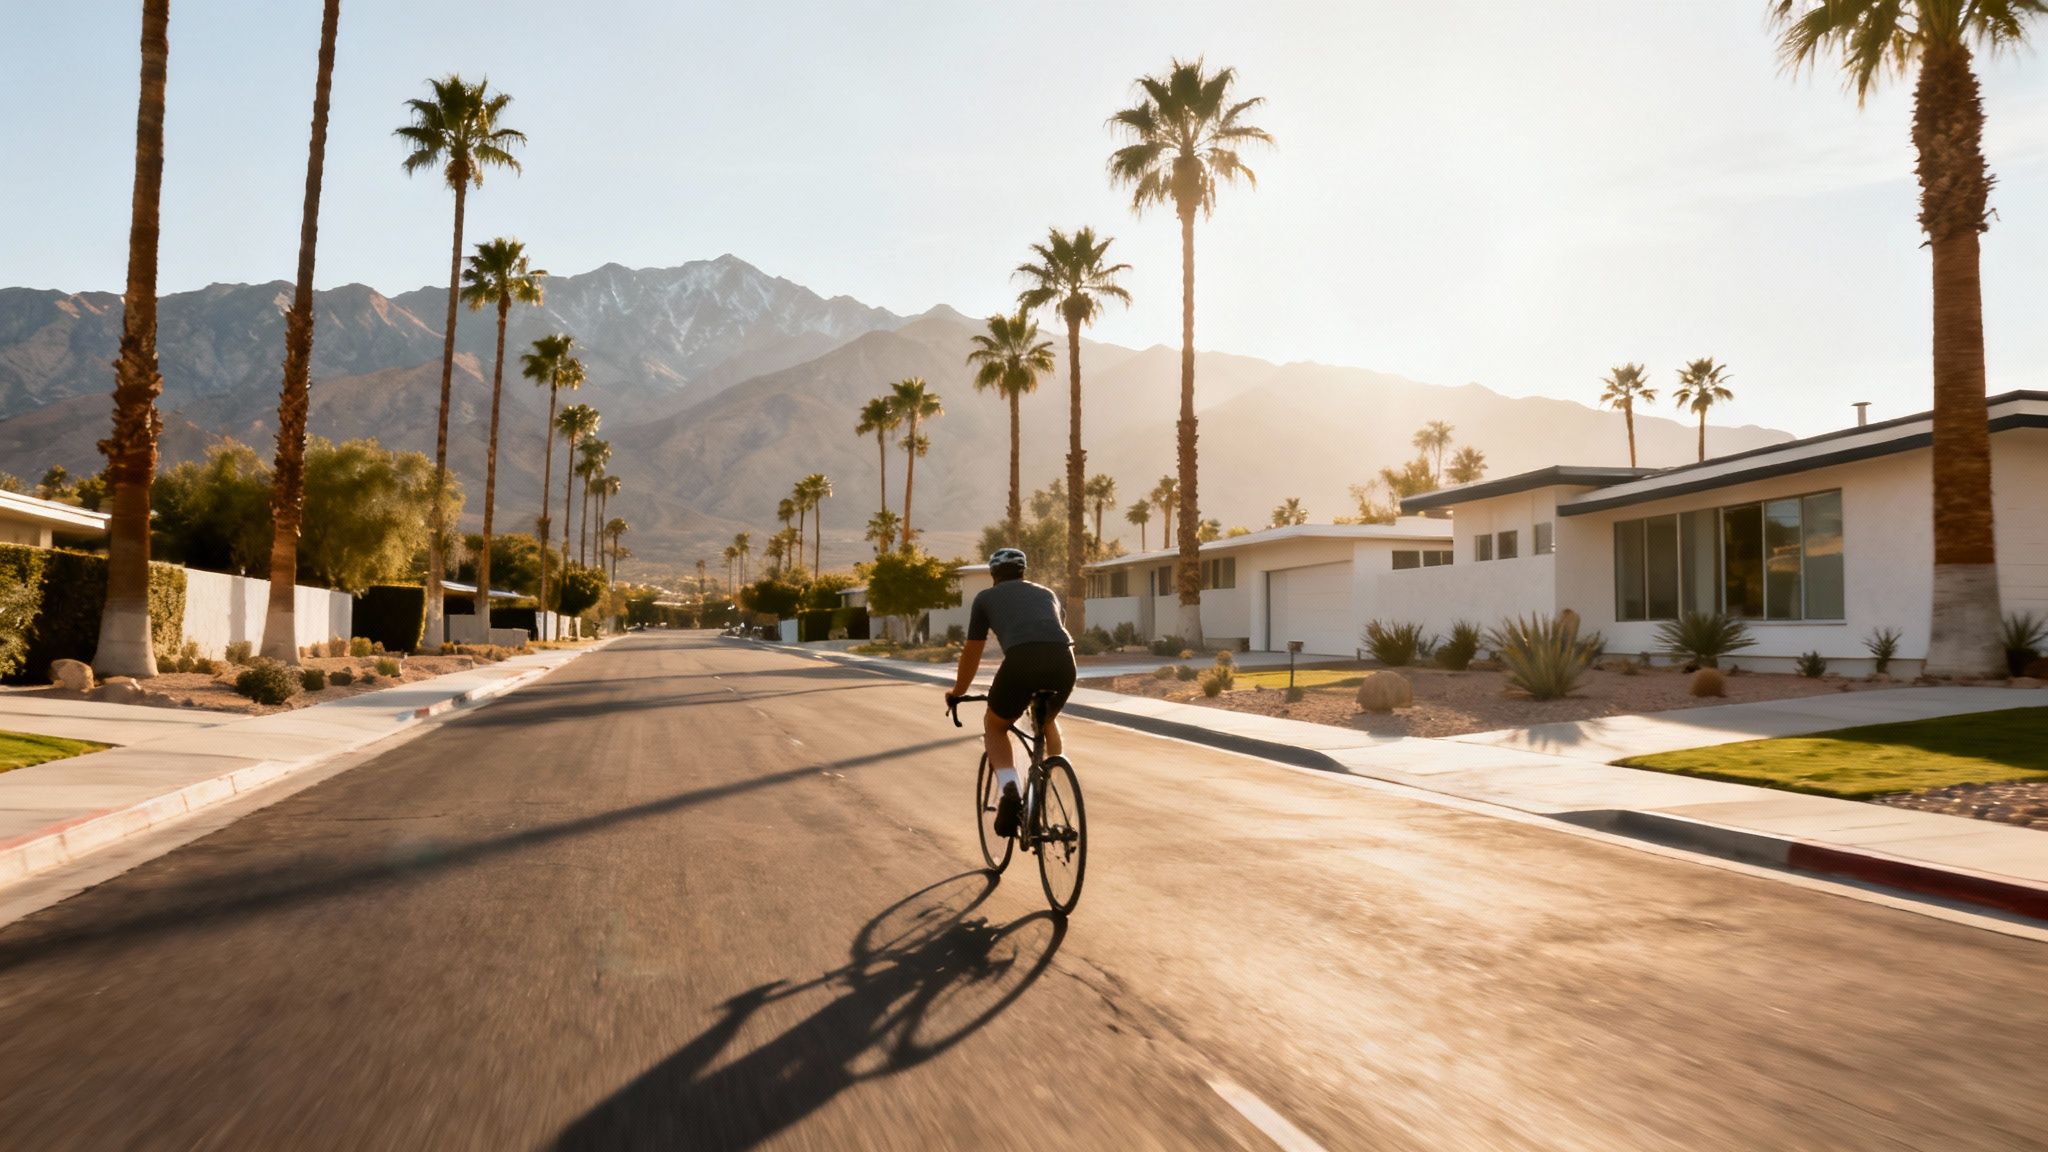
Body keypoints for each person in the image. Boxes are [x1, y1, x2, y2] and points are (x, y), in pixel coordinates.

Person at [946, 547, 1076, 838]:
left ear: (993, 575)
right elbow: (1053, 635)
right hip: (1065, 662)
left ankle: (1010, 789)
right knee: (1046, 719)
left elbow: (972, 652)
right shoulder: (1047, 594)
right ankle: (1052, 780)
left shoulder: (985, 599)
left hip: (1021, 661)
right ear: (1022, 571)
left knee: (995, 725)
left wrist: (957, 692)